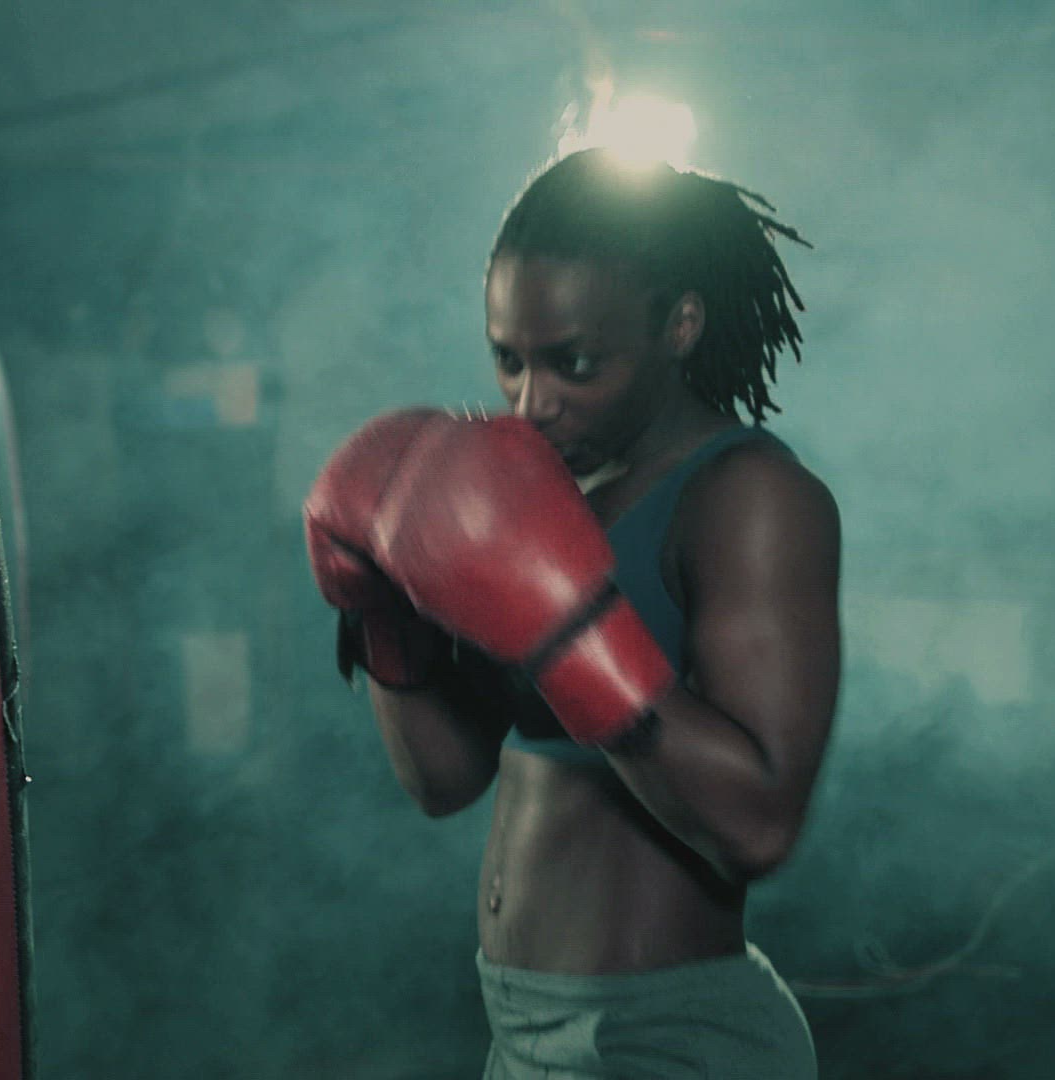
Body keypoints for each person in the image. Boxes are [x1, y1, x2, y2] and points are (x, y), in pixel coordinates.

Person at [304, 147, 840, 1078]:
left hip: (663, 1038)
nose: (530, 403)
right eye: (507, 359)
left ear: (679, 325)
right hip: (525, 1035)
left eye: (575, 364)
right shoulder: (542, 497)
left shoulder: (748, 496)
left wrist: (569, 640)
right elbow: (445, 781)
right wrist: (385, 615)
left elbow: (759, 825)